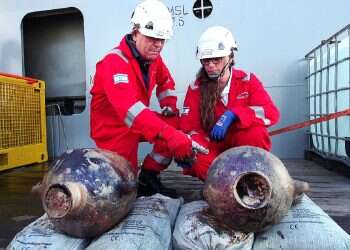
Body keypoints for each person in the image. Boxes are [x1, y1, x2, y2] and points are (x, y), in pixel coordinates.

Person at [90, 0, 197, 197]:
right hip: (114, 130)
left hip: (139, 121)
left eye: (162, 40)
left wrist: (169, 107)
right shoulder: (114, 62)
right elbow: (129, 109)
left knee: (174, 122)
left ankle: (148, 175)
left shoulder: (153, 58)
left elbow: (166, 82)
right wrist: (169, 134)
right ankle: (132, 180)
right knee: (124, 188)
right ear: (136, 31)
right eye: (152, 38)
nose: (158, 45)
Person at [179, 26, 280, 181]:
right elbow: (189, 127)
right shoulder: (195, 88)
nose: (211, 65)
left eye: (216, 60)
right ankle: (228, 186)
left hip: (241, 145)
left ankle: (250, 179)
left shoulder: (247, 81)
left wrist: (234, 115)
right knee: (194, 152)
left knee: (256, 133)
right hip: (212, 147)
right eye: (206, 61)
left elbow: (271, 113)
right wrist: (197, 144)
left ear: (230, 57)